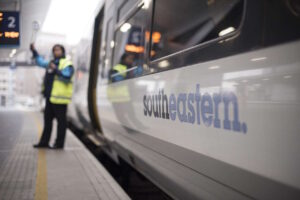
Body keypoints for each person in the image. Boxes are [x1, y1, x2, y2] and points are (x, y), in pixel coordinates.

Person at [30, 43, 74, 149]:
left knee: (61, 123)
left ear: (63, 52)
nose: (56, 52)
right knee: (47, 122)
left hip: (60, 100)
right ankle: (44, 142)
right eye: (54, 50)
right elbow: (40, 62)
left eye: (58, 50)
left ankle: (59, 144)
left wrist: (56, 70)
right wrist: (34, 51)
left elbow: (67, 76)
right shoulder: (51, 63)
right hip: (49, 98)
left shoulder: (67, 63)